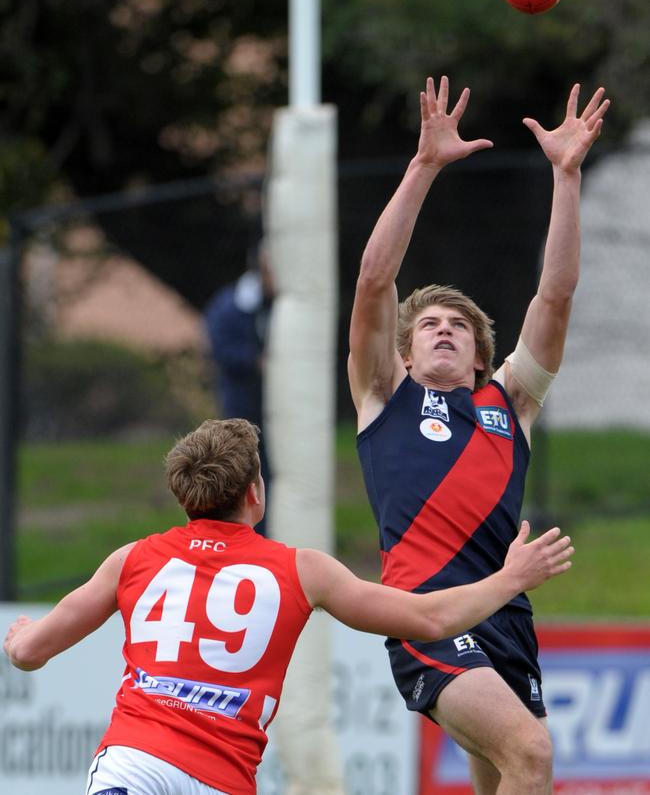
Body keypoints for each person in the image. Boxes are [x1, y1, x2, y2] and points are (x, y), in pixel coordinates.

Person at [4, 417, 573, 795]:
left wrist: (20, 636)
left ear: (184, 496)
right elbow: (430, 619)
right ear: (255, 491)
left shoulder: (131, 560)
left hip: (135, 764)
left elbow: (29, 653)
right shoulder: (300, 569)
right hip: (220, 780)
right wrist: (509, 578)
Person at [348, 75, 609, 795]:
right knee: (533, 752)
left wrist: (566, 176)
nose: (441, 328)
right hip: (427, 617)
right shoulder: (384, 395)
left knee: (502, 778)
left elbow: (554, 295)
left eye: (458, 326)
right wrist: (423, 166)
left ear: (480, 358)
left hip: (505, 617)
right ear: (405, 352)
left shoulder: (509, 403)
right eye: (428, 323)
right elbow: (375, 281)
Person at [204, 241, 274, 535]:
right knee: (248, 469)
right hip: (243, 404)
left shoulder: (281, 306)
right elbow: (219, 349)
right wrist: (255, 362)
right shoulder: (231, 304)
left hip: (277, 409)